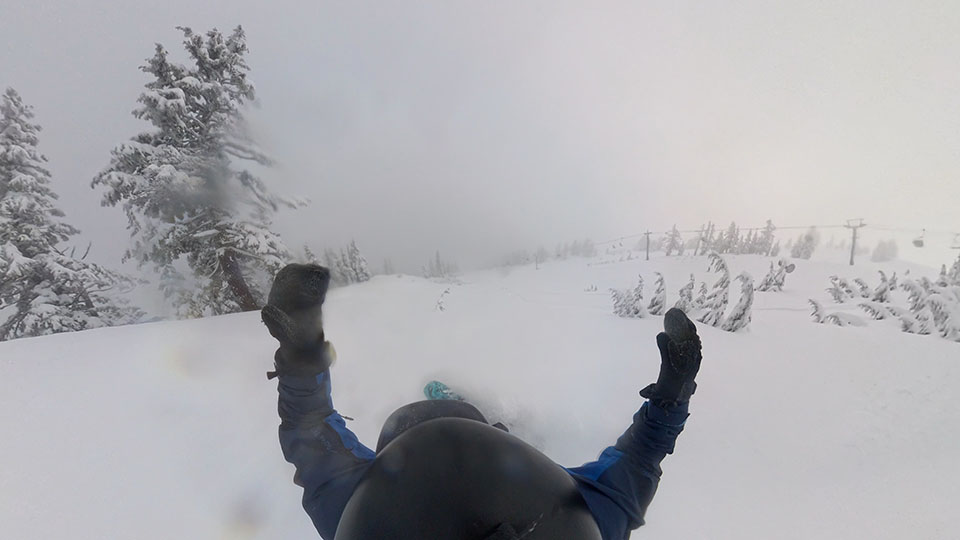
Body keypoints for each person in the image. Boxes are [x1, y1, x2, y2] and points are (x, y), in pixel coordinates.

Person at [262, 263, 702, 540]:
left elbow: (311, 430)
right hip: (500, 462)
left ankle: (478, 424)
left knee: (415, 429)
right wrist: (674, 392)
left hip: (406, 447)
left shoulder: (355, 514)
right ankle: (492, 426)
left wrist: (301, 353)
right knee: (491, 428)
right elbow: (640, 458)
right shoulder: (591, 517)